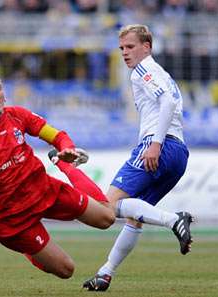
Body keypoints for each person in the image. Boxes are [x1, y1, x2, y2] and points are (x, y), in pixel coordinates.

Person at [0, 72, 116, 279]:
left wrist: (66, 148)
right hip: (12, 217)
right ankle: (30, 250)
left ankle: (65, 167)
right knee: (66, 270)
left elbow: (57, 135)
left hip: (44, 190)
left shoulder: (18, 115)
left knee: (107, 218)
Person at [82, 24, 193, 291]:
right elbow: (173, 105)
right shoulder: (162, 74)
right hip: (179, 152)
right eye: (121, 48)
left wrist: (154, 144)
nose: (124, 53)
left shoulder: (143, 70)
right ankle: (105, 273)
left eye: (130, 47)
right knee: (135, 216)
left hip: (158, 146)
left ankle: (173, 219)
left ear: (147, 47)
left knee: (106, 206)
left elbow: (167, 103)